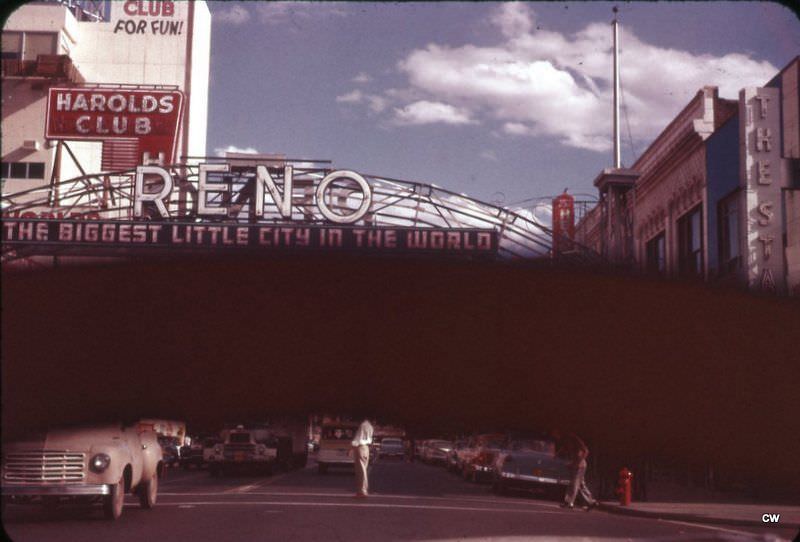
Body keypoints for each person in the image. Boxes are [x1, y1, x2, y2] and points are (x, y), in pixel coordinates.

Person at [553, 429, 597, 511]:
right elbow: (564, 449)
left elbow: (586, 450)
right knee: (580, 485)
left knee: (574, 484)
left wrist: (579, 461)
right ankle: (591, 502)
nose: (554, 436)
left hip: (580, 465)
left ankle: (570, 502)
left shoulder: (573, 439)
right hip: (576, 464)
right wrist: (557, 455)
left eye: (555, 433)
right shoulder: (565, 440)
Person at [350, 418, 374, 498]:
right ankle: (361, 490)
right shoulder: (370, 426)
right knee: (363, 470)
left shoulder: (362, 425)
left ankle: (362, 491)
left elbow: (358, 439)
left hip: (360, 447)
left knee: (361, 471)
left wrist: (351, 447)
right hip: (366, 448)